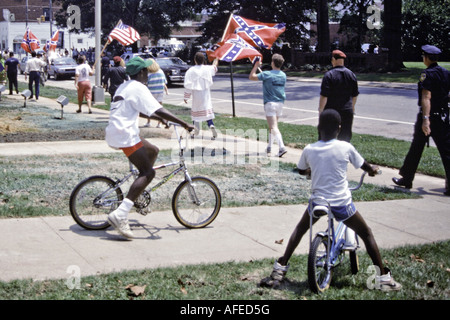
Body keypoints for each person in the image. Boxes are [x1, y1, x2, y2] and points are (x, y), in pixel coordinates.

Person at [260, 109, 402, 292]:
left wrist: (311, 171)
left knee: (300, 230)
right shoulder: (346, 147)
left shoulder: (309, 149)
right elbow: (365, 166)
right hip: (341, 203)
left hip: (318, 203)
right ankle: (383, 278)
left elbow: (302, 171)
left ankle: (280, 268)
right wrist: (373, 170)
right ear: (339, 128)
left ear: (319, 128)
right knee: (366, 233)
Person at [105, 57, 194, 239]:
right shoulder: (139, 87)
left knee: (153, 150)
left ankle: (137, 190)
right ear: (142, 73)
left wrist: (158, 119)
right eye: (147, 72)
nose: (148, 76)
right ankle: (121, 214)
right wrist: (184, 123)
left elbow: (140, 110)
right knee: (149, 173)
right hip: (125, 135)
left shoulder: (125, 86)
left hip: (117, 131)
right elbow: (158, 109)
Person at [392, 45, 450, 196]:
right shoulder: (446, 73)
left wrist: (426, 119)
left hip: (429, 117)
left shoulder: (427, 74)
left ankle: (407, 178)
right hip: (442, 117)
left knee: (416, 148)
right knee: (446, 151)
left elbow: (426, 97)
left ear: (426, 58)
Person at [249, 54, 287, 157]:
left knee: (273, 127)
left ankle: (282, 147)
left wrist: (256, 67)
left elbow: (251, 77)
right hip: (280, 103)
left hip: (270, 104)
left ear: (273, 63)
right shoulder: (283, 75)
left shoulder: (267, 74)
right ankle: (269, 146)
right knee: (272, 127)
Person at [319, 50, 359, 142]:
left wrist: (321, 110)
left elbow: (324, 96)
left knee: (326, 138)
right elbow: (355, 95)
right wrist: (352, 107)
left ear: (333, 59)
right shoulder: (351, 74)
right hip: (347, 111)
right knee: (345, 139)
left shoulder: (329, 75)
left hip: (331, 111)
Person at [184, 52, 219, 140]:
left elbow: (188, 86)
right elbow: (214, 67)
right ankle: (211, 126)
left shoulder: (191, 71)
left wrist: (186, 97)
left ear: (195, 60)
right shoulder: (207, 69)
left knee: (196, 114)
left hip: (196, 96)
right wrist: (217, 58)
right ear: (203, 60)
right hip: (206, 95)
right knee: (207, 113)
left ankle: (196, 132)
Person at [144, 58, 170, 128]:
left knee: (149, 108)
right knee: (159, 108)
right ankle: (159, 123)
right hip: (160, 92)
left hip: (150, 92)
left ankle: (148, 122)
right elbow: (164, 82)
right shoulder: (161, 71)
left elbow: (146, 83)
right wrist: (166, 90)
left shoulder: (148, 74)